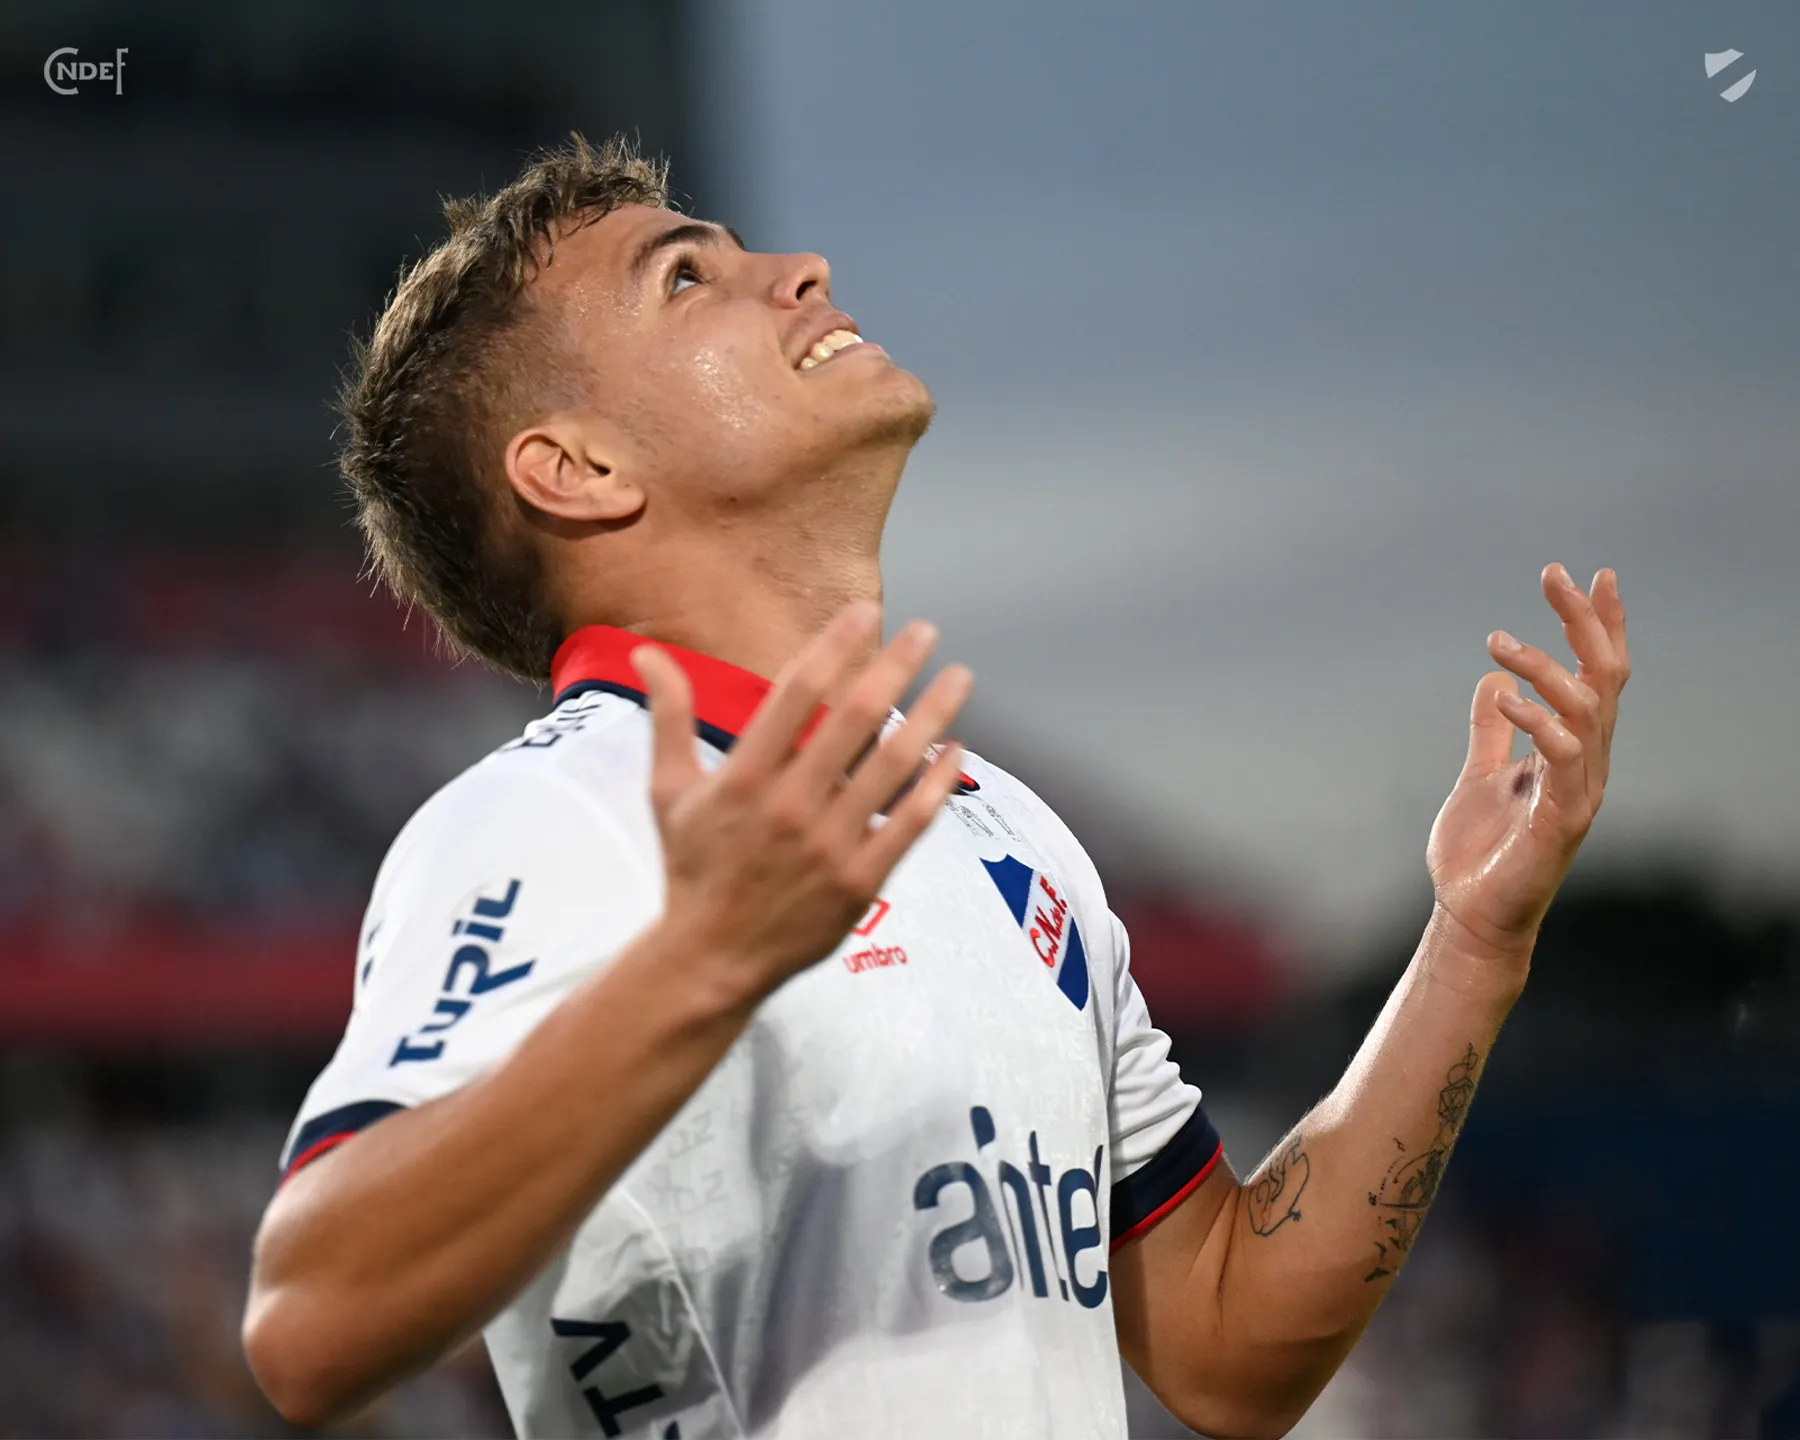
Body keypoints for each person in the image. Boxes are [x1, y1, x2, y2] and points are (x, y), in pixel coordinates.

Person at [241, 135, 1631, 1439]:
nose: (801, 271)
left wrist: (1473, 943)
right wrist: (707, 959)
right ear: (581, 468)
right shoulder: (559, 818)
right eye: (686, 278)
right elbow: (308, 1324)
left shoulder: (1000, 830)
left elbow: (1229, 1339)